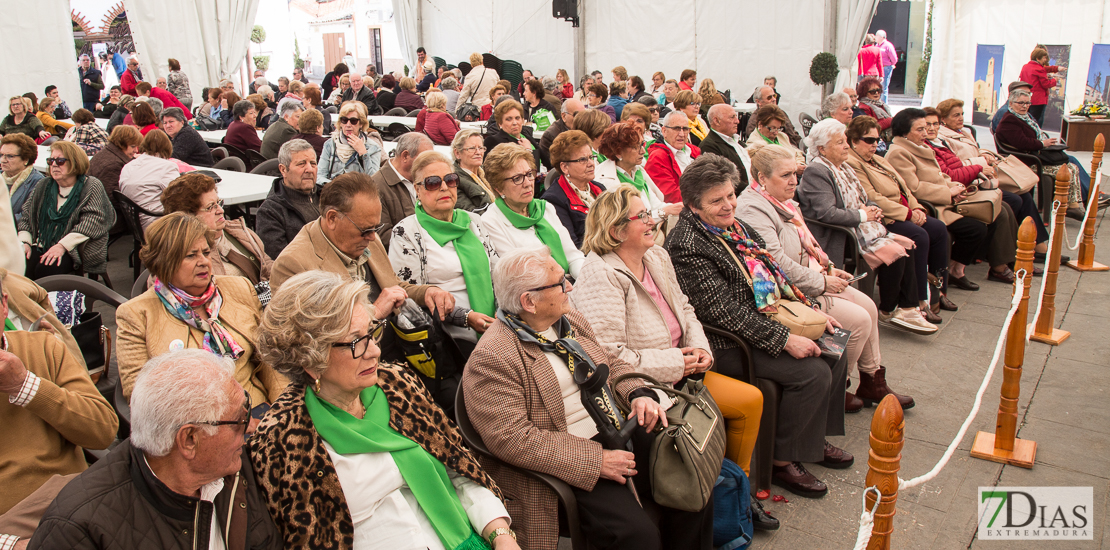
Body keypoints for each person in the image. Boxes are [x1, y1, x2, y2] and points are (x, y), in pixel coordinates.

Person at [462, 246, 711, 550]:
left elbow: (611, 362)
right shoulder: (493, 356)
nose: (569, 286)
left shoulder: (568, 321)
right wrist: (596, 461)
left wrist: (638, 393)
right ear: (529, 301)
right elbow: (512, 439)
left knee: (691, 484)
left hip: (616, 428)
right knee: (636, 536)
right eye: (559, 283)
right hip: (567, 457)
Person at [247, 271, 516, 550]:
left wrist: (500, 535)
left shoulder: (397, 384)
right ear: (310, 359)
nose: (374, 351)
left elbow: (460, 470)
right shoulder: (284, 438)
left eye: (372, 333)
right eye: (356, 342)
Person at [569, 186, 778, 530]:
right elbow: (609, 355)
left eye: (649, 213)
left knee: (751, 401)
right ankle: (720, 492)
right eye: (642, 217)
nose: (652, 222)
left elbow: (685, 307)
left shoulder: (656, 257)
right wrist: (678, 362)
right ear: (616, 230)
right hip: (646, 385)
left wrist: (701, 350)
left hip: (684, 371)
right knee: (727, 411)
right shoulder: (600, 274)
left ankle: (735, 491)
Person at [664, 154, 852, 499]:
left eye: (730, 195)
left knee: (836, 345)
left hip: (765, 318)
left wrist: (812, 312)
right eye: (716, 201)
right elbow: (722, 312)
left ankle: (811, 440)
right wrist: (785, 340)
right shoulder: (686, 244)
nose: (728, 205)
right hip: (729, 343)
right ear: (692, 205)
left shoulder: (738, 226)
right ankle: (782, 461)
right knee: (812, 371)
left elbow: (774, 278)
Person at [28, 349, 282, 550]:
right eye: (239, 418)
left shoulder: (237, 467)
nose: (249, 427)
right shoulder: (78, 531)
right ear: (189, 439)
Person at [787, 124, 931, 397]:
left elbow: (862, 197)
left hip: (834, 250)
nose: (794, 182)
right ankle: (842, 387)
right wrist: (864, 216)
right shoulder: (817, 171)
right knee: (863, 313)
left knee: (908, 247)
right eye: (840, 142)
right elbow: (824, 212)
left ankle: (873, 379)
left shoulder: (842, 168)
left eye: (845, 141)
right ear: (821, 149)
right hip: (837, 241)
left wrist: (872, 210)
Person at [117, 213, 287, 404]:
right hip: (191, 423)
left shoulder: (240, 288)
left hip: (255, 410)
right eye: (191, 255)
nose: (204, 261)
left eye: (206, 253)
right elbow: (139, 393)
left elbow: (270, 361)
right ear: (164, 261)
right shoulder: (136, 315)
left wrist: (281, 411)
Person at [0, 271, 116, 533]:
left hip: (70, 501)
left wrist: (26, 387)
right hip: (10, 521)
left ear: (4, 305)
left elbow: (103, 431)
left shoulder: (43, 347)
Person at [268, 172, 454, 323]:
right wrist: (373, 312)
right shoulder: (293, 265)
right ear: (332, 218)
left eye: (376, 228)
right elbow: (300, 340)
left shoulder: (365, 234)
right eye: (365, 230)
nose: (373, 237)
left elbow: (393, 286)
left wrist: (428, 292)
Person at [886, 108, 1018, 288]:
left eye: (927, 127)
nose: (926, 133)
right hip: (933, 205)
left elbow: (940, 175)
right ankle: (949, 276)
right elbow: (914, 188)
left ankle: (960, 268)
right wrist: (949, 193)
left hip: (946, 199)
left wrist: (955, 187)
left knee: (995, 213)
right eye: (920, 129)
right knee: (976, 228)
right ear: (904, 132)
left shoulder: (922, 146)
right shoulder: (899, 152)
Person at [845, 116, 957, 317]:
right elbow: (872, 197)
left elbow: (904, 188)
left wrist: (918, 209)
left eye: (877, 140)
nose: (874, 145)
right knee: (918, 235)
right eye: (868, 140)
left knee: (939, 229)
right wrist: (908, 214)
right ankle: (920, 299)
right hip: (884, 217)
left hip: (905, 211)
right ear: (853, 141)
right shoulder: (853, 163)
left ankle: (939, 292)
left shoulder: (879, 159)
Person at [388, 150, 498, 350]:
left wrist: (502, 310)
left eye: (451, 180)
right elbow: (408, 296)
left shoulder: (473, 221)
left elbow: (497, 271)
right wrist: (465, 317)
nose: (444, 187)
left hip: (496, 325)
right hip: (447, 336)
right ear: (417, 190)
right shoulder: (406, 232)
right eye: (433, 183)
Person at [923, 106, 1053, 259]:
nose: (961, 118)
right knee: (1006, 206)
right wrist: (979, 165)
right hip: (964, 185)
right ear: (944, 119)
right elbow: (951, 170)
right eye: (956, 115)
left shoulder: (960, 133)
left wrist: (984, 155)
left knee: (1018, 199)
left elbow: (964, 158)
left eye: (962, 114)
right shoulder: (939, 139)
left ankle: (1025, 247)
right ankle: (1008, 257)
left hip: (971, 179)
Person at [481, 144, 585, 278]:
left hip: (569, 282)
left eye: (529, 174)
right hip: (537, 290)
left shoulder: (545, 208)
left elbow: (573, 256)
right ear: (499, 188)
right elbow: (521, 276)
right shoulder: (491, 222)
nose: (528, 183)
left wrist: (586, 281)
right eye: (517, 178)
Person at [18, 142, 114, 279]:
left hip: (74, 247)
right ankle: (26, 300)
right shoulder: (43, 185)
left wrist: (62, 245)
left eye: (60, 161)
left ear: (75, 162)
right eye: (51, 161)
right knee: (20, 265)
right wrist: (25, 242)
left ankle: (46, 300)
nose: (54, 165)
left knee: (46, 269)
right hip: (41, 242)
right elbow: (27, 215)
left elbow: (94, 221)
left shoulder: (91, 185)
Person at [996, 89, 1094, 218]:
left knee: (1072, 167)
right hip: (1025, 161)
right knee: (1068, 168)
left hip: (1035, 155)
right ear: (1011, 103)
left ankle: (1072, 205)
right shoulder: (1010, 120)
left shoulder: (1024, 117)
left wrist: (1045, 143)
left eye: (1027, 103)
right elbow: (1022, 143)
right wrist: (1043, 144)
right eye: (1020, 103)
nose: (1025, 106)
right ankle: (1066, 205)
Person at [162, 173, 273, 284]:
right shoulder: (178, 254)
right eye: (211, 207)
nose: (221, 210)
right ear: (188, 216)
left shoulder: (239, 230)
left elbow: (269, 267)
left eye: (219, 203)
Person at [595, 122, 680, 222]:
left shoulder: (638, 171)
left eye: (642, 144)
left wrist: (676, 208)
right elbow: (626, 222)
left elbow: (657, 205)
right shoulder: (604, 180)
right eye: (636, 147)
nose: (643, 151)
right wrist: (663, 213)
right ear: (618, 152)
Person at [256, 139, 322, 259]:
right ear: (283, 170)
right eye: (301, 164)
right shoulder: (270, 212)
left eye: (313, 163)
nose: (309, 169)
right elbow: (282, 261)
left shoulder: (329, 196)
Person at [542, 130, 604, 247]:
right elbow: (574, 246)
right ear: (564, 167)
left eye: (591, 157)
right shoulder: (554, 200)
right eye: (583, 160)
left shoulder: (599, 189)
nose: (591, 163)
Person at [118, 129, 181, 229]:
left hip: (135, 224)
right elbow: (179, 196)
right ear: (168, 147)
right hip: (157, 223)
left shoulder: (128, 166)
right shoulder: (166, 166)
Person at [317, 102, 383, 185]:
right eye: (344, 120)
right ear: (340, 123)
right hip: (333, 192)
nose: (348, 125)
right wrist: (334, 187)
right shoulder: (330, 144)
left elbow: (374, 181)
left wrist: (363, 154)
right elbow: (319, 175)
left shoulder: (373, 147)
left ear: (361, 124)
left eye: (353, 121)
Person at [645, 111, 701, 204]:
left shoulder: (694, 151)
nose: (682, 134)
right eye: (677, 129)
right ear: (664, 131)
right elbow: (671, 196)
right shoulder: (657, 158)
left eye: (685, 129)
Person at [88, 124, 141, 221]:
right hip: (110, 220)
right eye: (133, 146)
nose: (136, 150)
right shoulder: (113, 165)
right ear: (122, 143)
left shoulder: (107, 153)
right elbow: (115, 199)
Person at [700, 103, 755, 192]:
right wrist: (755, 189)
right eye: (732, 117)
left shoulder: (736, 141)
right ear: (717, 121)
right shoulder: (709, 146)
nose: (737, 121)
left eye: (736, 117)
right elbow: (722, 180)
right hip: (742, 196)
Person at [483, 99, 542, 173]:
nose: (514, 123)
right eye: (509, 119)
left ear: (523, 120)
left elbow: (547, 162)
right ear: (500, 124)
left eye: (517, 118)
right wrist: (528, 150)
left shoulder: (526, 136)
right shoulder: (494, 141)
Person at [746, 105, 806, 174]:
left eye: (778, 128)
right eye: (772, 128)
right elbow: (769, 168)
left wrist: (799, 163)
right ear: (760, 124)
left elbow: (796, 152)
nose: (776, 132)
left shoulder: (782, 136)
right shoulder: (754, 143)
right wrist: (795, 168)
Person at [1, 134, 45, 225]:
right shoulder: (1, 176)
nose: (3, 160)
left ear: (25, 159)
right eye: (1, 155)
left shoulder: (38, 183)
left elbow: (26, 217)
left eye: (10, 156)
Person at [452, 129, 496, 213]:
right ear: (457, 153)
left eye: (481, 148)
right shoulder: (454, 180)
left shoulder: (488, 171)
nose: (478, 152)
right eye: (472, 148)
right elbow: (473, 214)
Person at [1019, 47, 1059, 126]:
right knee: (1036, 122)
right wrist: (1055, 80)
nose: (1045, 60)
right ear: (1038, 58)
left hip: (1026, 97)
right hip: (1038, 99)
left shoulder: (1025, 67)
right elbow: (1046, 84)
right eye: (1044, 58)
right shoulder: (1040, 69)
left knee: (1026, 120)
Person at [539, 99, 585, 165]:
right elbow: (553, 165)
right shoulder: (551, 135)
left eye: (583, 115)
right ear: (563, 116)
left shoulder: (585, 129)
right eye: (576, 115)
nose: (581, 119)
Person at [876, 30, 897, 103]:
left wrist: (891, 64)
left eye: (877, 35)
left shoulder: (888, 45)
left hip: (886, 68)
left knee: (884, 87)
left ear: (882, 37)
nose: (875, 37)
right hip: (878, 68)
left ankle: (884, 105)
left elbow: (894, 58)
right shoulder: (877, 45)